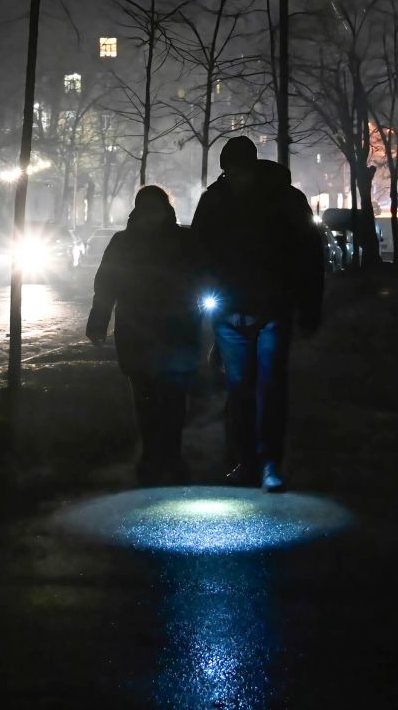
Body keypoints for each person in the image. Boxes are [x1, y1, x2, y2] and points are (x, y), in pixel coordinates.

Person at [191, 136, 324, 492]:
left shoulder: (216, 200)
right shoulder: (285, 198)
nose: (234, 175)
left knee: (254, 389)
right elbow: (310, 253)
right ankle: (259, 463)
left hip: (251, 308)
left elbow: (198, 253)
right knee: (254, 389)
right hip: (260, 307)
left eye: (236, 169)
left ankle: (255, 462)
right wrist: (309, 305)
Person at [86, 186, 203, 485]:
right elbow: (107, 285)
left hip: (148, 330)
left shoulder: (125, 242)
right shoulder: (183, 240)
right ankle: (162, 454)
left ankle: (159, 455)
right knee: (158, 396)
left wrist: (99, 321)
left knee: (158, 396)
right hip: (165, 330)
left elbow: (106, 285)